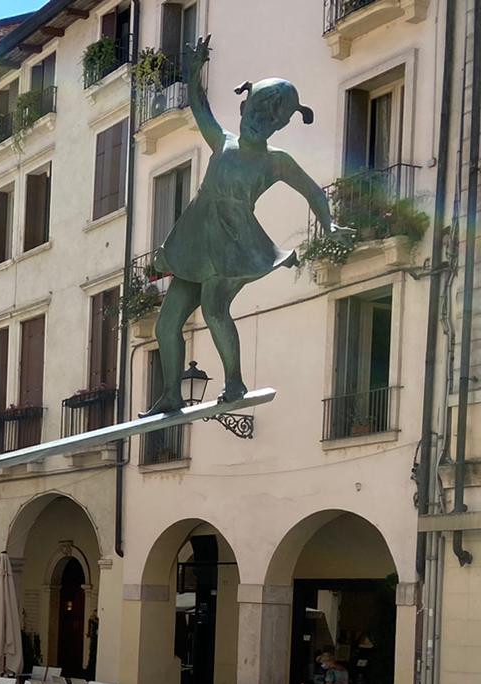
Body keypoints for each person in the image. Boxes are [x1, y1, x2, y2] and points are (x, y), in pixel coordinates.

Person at [144, 37, 351, 414]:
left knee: (214, 309)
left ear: (279, 126)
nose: (259, 125)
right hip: (198, 242)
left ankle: (234, 382)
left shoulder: (276, 161)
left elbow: (313, 192)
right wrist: (193, 73)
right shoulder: (222, 142)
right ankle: (172, 394)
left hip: (235, 244)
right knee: (165, 324)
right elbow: (199, 106)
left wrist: (329, 223)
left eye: (269, 121)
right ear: (243, 110)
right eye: (255, 116)